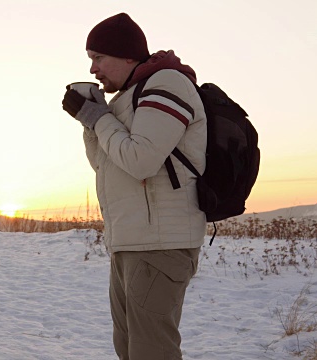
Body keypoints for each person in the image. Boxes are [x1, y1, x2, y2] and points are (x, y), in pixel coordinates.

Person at [61, 13, 206, 360]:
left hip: (159, 246)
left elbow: (141, 160)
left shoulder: (167, 83)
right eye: (90, 60)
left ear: (127, 55)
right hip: (130, 243)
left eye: (99, 58)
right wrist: (89, 119)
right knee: (129, 349)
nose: (94, 69)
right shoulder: (126, 98)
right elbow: (106, 165)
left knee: (151, 352)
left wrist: (101, 118)